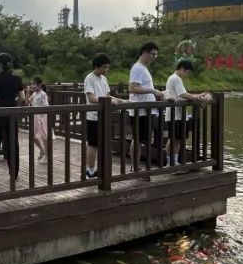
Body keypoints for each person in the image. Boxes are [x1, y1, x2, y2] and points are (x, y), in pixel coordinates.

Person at [163, 58, 213, 166]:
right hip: (175, 114)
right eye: (188, 72)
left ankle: (173, 161)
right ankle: (171, 161)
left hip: (177, 114)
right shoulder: (176, 78)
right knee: (174, 139)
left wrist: (197, 96)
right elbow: (183, 94)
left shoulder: (174, 78)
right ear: (182, 69)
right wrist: (199, 97)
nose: (187, 74)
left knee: (177, 139)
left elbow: (183, 94)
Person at [0, 52, 25, 183]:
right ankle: (14, 173)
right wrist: (14, 104)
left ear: (0, 65)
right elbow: (23, 98)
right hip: (12, 112)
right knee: (13, 143)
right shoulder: (17, 79)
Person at [128, 41, 167, 172]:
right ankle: (135, 166)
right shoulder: (138, 68)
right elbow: (132, 88)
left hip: (145, 110)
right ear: (144, 53)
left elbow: (140, 88)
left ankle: (136, 166)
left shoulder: (143, 68)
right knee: (138, 139)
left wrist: (155, 94)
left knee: (140, 139)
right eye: (152, 54)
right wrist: (152, 91)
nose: (154, 57)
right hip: (139, 110)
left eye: (156, 55)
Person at [83, 53, 123, 179]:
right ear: (96, 66)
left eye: (107, 67)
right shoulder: (89, 78)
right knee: (93, 144)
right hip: (93, 116)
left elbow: (107, 95)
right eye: (103, 67)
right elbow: (91, 98)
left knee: (104, 143)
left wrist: (120, 100)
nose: (106, 70)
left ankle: (101, 169)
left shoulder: (104, 79)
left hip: (104, 115)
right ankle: (90, 169)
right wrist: (107, 100)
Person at [28, 76, 49, 162]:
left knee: (44, 137)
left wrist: (43, 118)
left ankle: (47, 156)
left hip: (42, 117)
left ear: (39, 85)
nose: (32, 86)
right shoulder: (34, 94)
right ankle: (42, 150)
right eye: (31, 84)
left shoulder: (43, 94)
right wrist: (27, 93)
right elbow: (27, 102)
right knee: (32, 135)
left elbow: (46, 105)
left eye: (34, 84)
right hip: (35, 117)